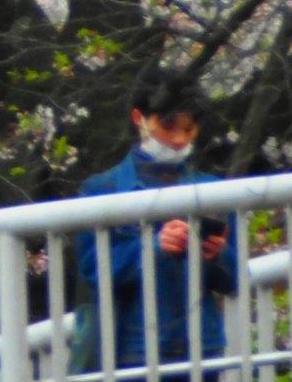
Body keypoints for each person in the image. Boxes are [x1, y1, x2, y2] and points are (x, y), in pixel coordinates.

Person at [71, 67, 236, 379]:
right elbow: (91, 269)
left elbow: (235, 278)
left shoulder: (214, 188)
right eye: (168, 126)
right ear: (139, 118)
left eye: (189, 130)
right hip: (135, 350)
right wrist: (152, 247)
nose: (178, 140)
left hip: (203, 346)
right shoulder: (101, 189)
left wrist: (217, 255)